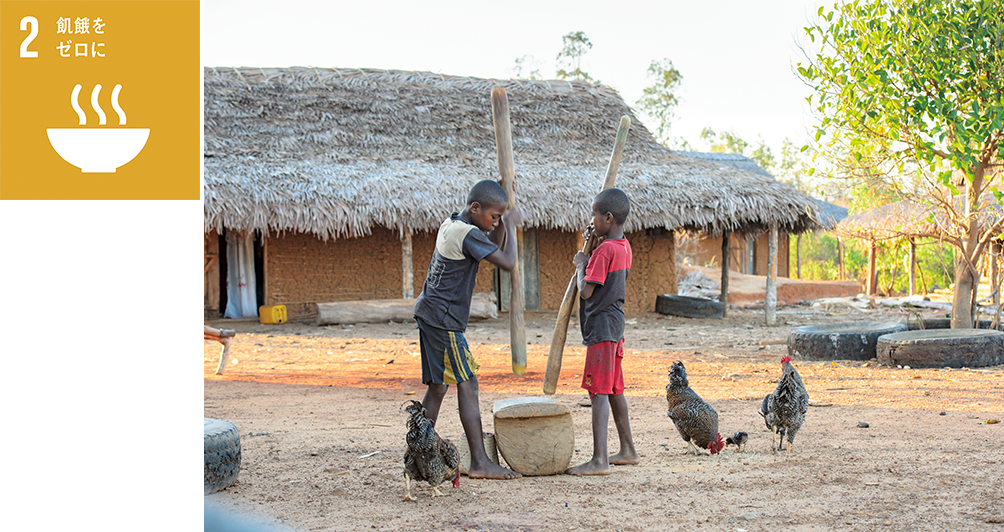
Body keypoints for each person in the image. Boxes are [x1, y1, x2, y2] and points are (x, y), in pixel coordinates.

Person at [413, 179, 522, 480]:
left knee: (438, 387)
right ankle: (479, 462)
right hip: (444, 321)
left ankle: (418, 455)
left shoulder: (453, 223)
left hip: (430, 313)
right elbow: (508, 261)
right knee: (468, 383)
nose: (496, 222)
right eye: (493, 217)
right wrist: (511, 224)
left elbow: (493, 244)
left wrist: (501, 215)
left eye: (499, 218)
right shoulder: (467, 234)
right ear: (475, 208)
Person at [566, 188, 639, 476]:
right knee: (613, 389)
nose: (591, 219)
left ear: (607, 217)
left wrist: (581, 265)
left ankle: (599, 459)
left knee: (598, 391)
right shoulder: (623, 246)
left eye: (594, 214)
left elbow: (585, 292)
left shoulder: (603, 252)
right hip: (615, 326)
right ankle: (628, 449)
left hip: (601, 329)